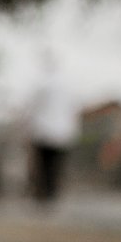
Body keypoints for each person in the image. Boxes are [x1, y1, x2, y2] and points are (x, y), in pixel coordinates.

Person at [25, 51, 78, 204]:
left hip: (44, 131)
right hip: (61, 133)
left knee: (44, 165)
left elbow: (33, 108)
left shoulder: (42, 84)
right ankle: (51, 194)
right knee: (55, 166)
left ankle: (45, 194)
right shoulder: (68, 85)